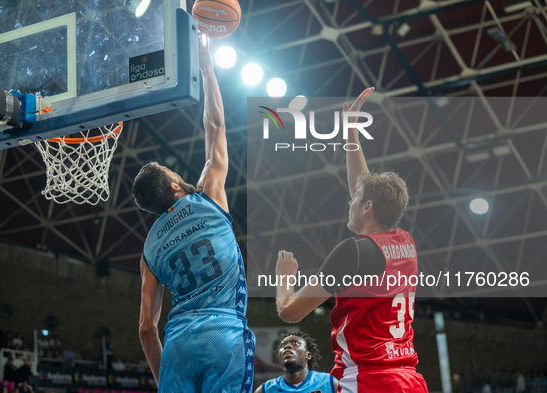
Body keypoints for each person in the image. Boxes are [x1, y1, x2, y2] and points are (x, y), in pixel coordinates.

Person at [275, 88, 428, 393]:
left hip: (367, 380)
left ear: (368, 207)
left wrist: (284, 279)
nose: (350, 200)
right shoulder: (405, 243)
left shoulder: (353, 252)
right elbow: (364, 186)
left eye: (355, 198)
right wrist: (351, 133)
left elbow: (289, 312)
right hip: (409, 379)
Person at [133, 34, 254, 393]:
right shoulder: (208, 196)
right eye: (173, 173)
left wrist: (165, 377)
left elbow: (145, 329)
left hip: (178, 343)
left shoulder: (149, 249)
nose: (178, 174)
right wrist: (207, 68)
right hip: (224, 333)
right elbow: (216, 126)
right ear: (173, 186)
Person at [254, 331, 338, 393]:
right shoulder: (265, 390)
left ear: (308, 355)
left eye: (295, 343)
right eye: (283, 345)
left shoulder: (329, 382)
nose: (287, 346)